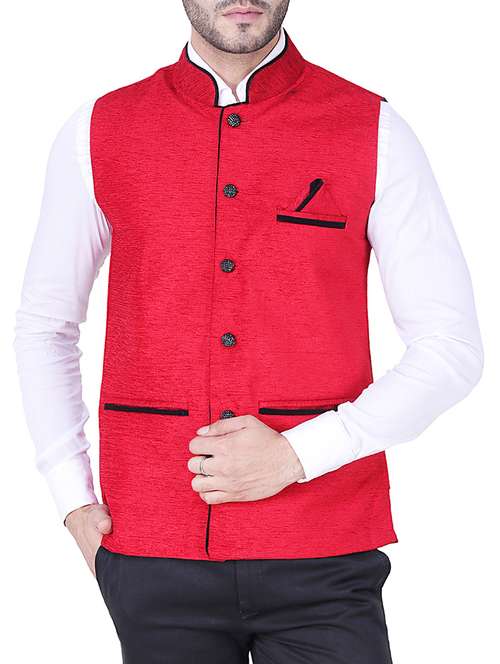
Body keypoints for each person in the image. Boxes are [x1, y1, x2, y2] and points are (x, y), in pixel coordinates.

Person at [13, 1, 484, 662]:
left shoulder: (372, 127)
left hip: (325, 552)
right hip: (151, 550)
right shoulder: (101, 128)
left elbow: (451, 348)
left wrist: (298, 455)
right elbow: (46, 325)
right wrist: (72, 501)